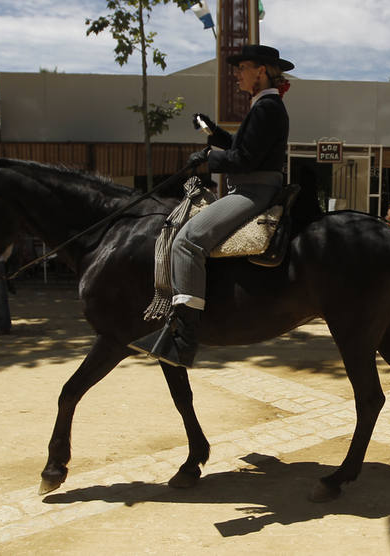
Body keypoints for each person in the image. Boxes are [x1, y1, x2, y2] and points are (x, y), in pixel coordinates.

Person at [129, 44, 293, 368]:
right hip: (251, 186)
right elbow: (242, 147)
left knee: (187, 241)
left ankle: (184, 341)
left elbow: (244, 159)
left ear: (260, 70)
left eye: (241, 68)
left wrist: (207, 158)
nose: (237, 75)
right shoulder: (264, 106)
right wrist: (214, 132)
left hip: (253, 191)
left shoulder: (268, 107)